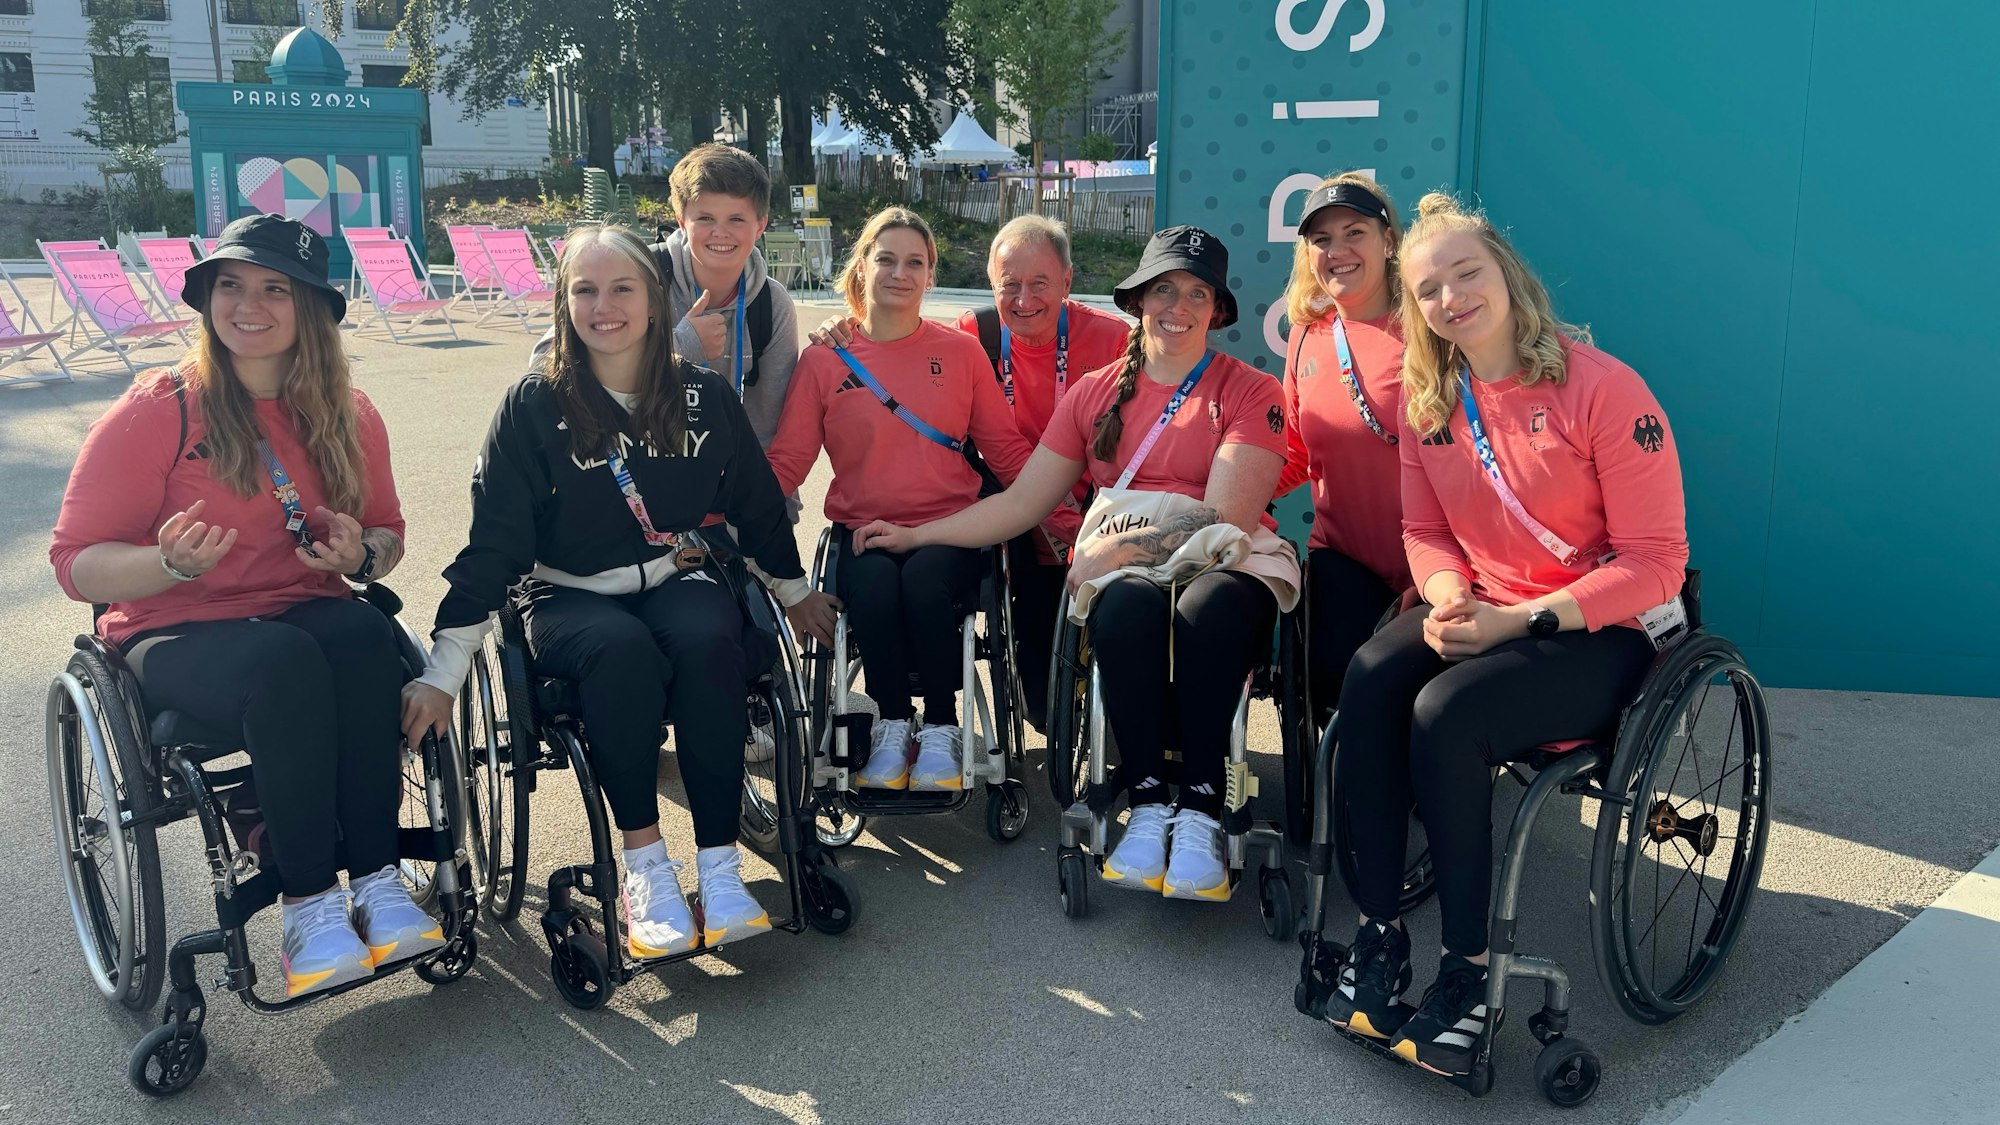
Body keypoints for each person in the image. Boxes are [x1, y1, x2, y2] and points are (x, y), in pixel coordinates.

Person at [400, 225, 839, 959]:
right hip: (565, 594)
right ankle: (647, 869)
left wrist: (793, 591)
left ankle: (719, 868)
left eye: (622, 288)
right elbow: (494, 545)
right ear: (563, 302)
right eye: (585, 290)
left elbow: (757, 505)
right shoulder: (532, 405)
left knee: (709, 636)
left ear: (654, 299)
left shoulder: (701, 395)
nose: (603, 307)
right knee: (620, 648)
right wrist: (444, 672)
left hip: (671, 570)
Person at [1326, 194, 1688, 1076]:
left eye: (1467, 274)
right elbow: (1425, 533)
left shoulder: (1602, 387)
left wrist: (1516, 621)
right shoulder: (1430, 401)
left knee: (1447, 712)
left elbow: (1657, 563)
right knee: (1370, 675)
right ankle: (1378, 932)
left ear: (1506, 273)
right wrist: (1448, 595)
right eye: (1428, 289)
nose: (1450, 298)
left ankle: (1468, 970)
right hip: (1486, 604)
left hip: (1601, 627)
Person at [49, 213, 438, 1000]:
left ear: (311, 310)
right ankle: (308, 905)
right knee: (282, 660)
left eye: (274, 289)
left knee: (366, 634)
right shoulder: (160, 408)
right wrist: (164, 561)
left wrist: (357, 554)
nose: (247, 305)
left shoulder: (349, 413)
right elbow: (74, 561)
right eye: (230, 284)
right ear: (207, 298)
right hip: (173, 628)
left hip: (302, 608)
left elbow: (387, 535)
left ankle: (377, 878)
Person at [851, 225, 1298, 902]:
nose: (1177, 307)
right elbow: (1022, 502)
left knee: (1203, 606)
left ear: (1216, 310)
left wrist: (1115, 545)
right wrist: (918, 536)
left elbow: (1223, 521)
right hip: (1131, 570)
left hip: (1227, 563)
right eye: (1163, 290)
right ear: (1139, 301)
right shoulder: (1093, 393)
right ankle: (1148, 801)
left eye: (1196, 294)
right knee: (1123, 607)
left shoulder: (1250, 390)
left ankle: (1203, 809)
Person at [810, 214, 1127, 729]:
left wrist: (1083, 527)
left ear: (1068, 281)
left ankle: (1120, 715)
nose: (1024, 300)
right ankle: (901, 720)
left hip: (1083, 512)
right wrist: (841, 327)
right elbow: (893, 340)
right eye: (1009, 285)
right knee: (1041, 704)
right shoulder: (972, 336)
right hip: (1012, 513)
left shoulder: (1113, 340)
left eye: (1040, 284)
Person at [765, 207, 1042, 792]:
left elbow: (1005, 451)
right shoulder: (824, 359)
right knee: (869, 586)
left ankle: (940, 725)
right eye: (886, 259)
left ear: (930, 274)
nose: (900, 273)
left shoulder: (961, 353)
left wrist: (1066, 516)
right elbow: (788, 462)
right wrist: (725, 516)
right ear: (861, 268)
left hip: (950, 528)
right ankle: (892, 722)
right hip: (863, 530)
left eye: (914, 262)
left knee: (923, 581)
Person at [532, 143, 800, 448]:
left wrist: (760, 483)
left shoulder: (771, 305)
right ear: (682, 220)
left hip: (717, 465)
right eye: (705, 218)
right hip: (623, 457)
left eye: (736, 219)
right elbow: (543, 363)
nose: (720, 232)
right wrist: (682, 346)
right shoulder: (636, 275)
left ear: (760, 225)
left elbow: (766, 430)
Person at [1275, 174, 1413, 722]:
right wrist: (1219, 497)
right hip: (1343, 559)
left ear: (1388, 240)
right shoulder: (1307, 336)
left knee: (1406, 705)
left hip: (1438, 566)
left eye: (1354, 232)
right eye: (1322, 239)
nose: (1338, 251)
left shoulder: (1431, 329)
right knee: (1335, 692)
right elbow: (1293, 451)